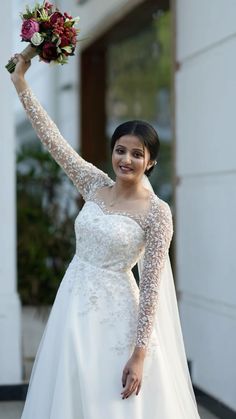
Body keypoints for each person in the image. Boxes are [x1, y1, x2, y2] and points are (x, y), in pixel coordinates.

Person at [10, 54, 201, 418]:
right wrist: (20, 82)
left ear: (151, 162)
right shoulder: (95, 184)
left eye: (136, 154)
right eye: (120, 150)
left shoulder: (157, 213)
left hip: (117, 317)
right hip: (72, 303)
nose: (125, 160)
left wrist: (140, 353)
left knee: (110, 401)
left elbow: (151, 287)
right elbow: (53, 140)